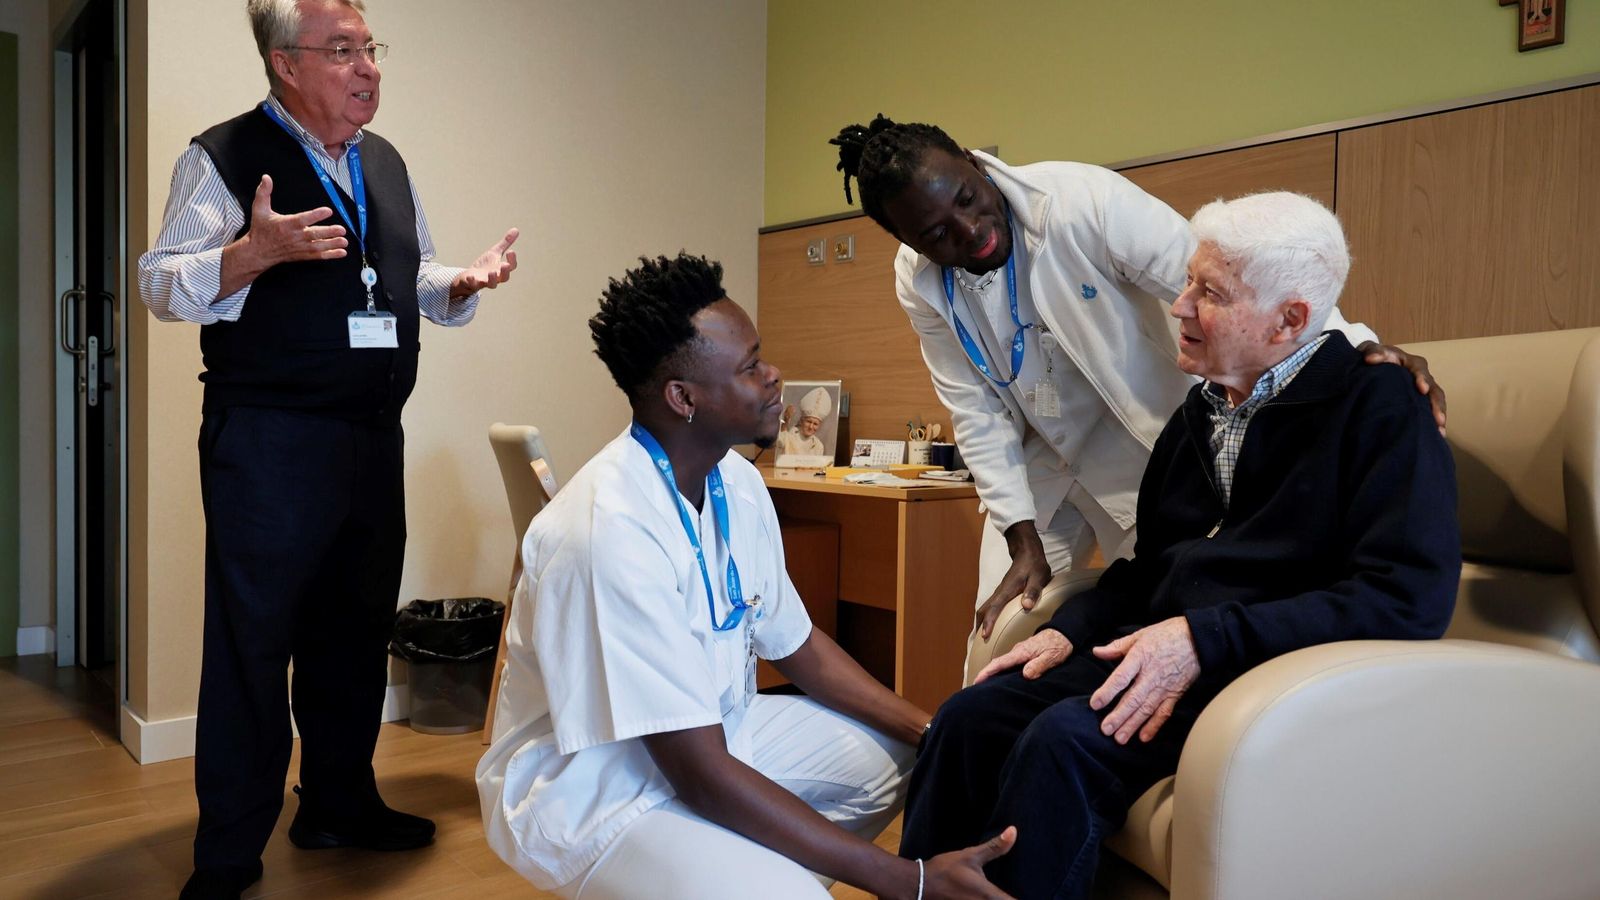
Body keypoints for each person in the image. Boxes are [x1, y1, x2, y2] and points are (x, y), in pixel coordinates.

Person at [896, 192, 1462, 898]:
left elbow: (1407, 600)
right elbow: (1150, 569)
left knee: (1063, 742)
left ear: (1290, 320)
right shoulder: (1201, 409)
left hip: (1270, 672)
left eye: (1210, 293)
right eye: (1188, 281)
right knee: (968, 719)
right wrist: (1069, 633)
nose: (1179, 305)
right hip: (1180, 649)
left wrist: (1204, 638)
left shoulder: (1381, 408)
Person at [477, 253, 1015, 900]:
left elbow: (798, 645)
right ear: (684, 398)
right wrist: (912, 880)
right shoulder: (606, 530)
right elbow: (699, 775)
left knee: (893, 759)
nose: (773, 375)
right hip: (597, 795)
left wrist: (935, 732)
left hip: (714, 738)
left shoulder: (736, 481)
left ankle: (743, 873)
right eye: (750, 366)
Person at [136, 2, 518, 897]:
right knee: (253, 649)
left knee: (352, 634)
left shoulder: (383, 162)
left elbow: (406, 271)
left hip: (368, 439)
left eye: (369, 49)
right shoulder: (222, 156)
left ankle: (338, 803)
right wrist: (247, 256)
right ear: (285, 65)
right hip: (268, 444)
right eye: (341, 51)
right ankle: (228, 854)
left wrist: (458, 280)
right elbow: (160, 282)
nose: (367, 68)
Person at [829, 116, 1448, 651]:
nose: (966, 231)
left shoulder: (1080, 201)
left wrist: (1360, 345)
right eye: (934, 235)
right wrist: (1020, 534)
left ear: (975, 163)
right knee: (996, 638)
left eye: (966, 198)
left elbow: (1221, 282)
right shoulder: (917, 281)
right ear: (907, 243)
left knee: (1152, 613)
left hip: (1140, 447)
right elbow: (974, 408)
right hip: (1040, 460)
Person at [776, 385, 831, 458]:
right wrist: (786, 420)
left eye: (815, 424)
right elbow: (779, 441)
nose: (811, 427)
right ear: (802, 421)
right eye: (808, 421)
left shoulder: (819, 446)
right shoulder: (789, 436)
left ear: (819, 426)